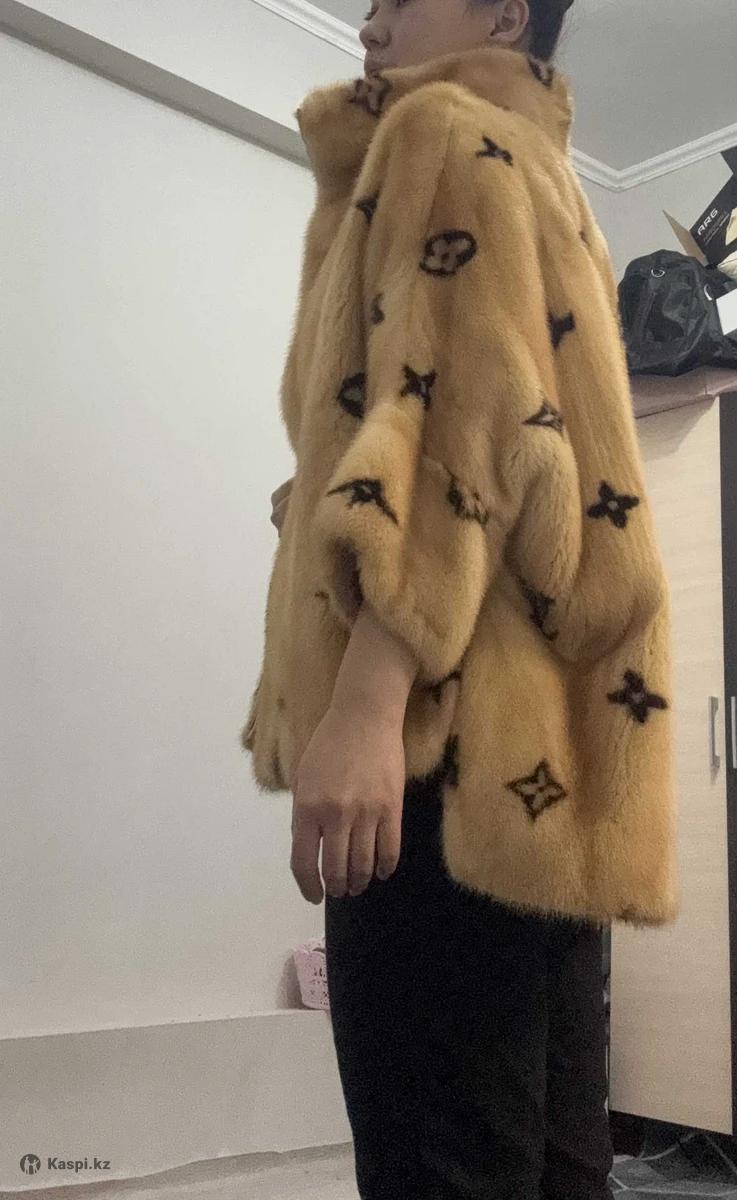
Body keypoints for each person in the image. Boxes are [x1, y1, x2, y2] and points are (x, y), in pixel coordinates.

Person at [243, 1, 678, 1196]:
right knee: (548, 1155)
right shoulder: (543, 175)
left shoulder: (434, 132)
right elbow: (535, 446)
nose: (370, 15)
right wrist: (309, 502)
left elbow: (458, 427)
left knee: (436, 1156)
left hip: (442, 739)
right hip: (541, 764)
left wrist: (366, 705)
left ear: (499, 10)